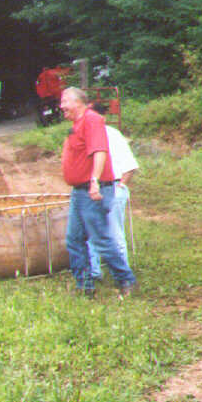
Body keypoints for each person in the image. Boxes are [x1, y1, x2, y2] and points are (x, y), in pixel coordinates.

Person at [59, 87, 137, 298]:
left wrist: (94, 180)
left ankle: (126, 280)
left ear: (78, 102)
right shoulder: (76, 125)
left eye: (64, 101)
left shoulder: (92, 119)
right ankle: (85, 287)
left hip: (93, 190)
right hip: (79, 191)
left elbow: (100, 151)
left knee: (101, 238)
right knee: (74, 239)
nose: (61, 105)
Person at [87, 102, 139, 280]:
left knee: (115, 232)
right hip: (93, 190)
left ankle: (123, 273)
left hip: (113, 187)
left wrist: (120, 186)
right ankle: (94, 272)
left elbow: (130, 166)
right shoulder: (86, 136)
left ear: (102, 117)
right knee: (91, 231)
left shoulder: (113, 135)